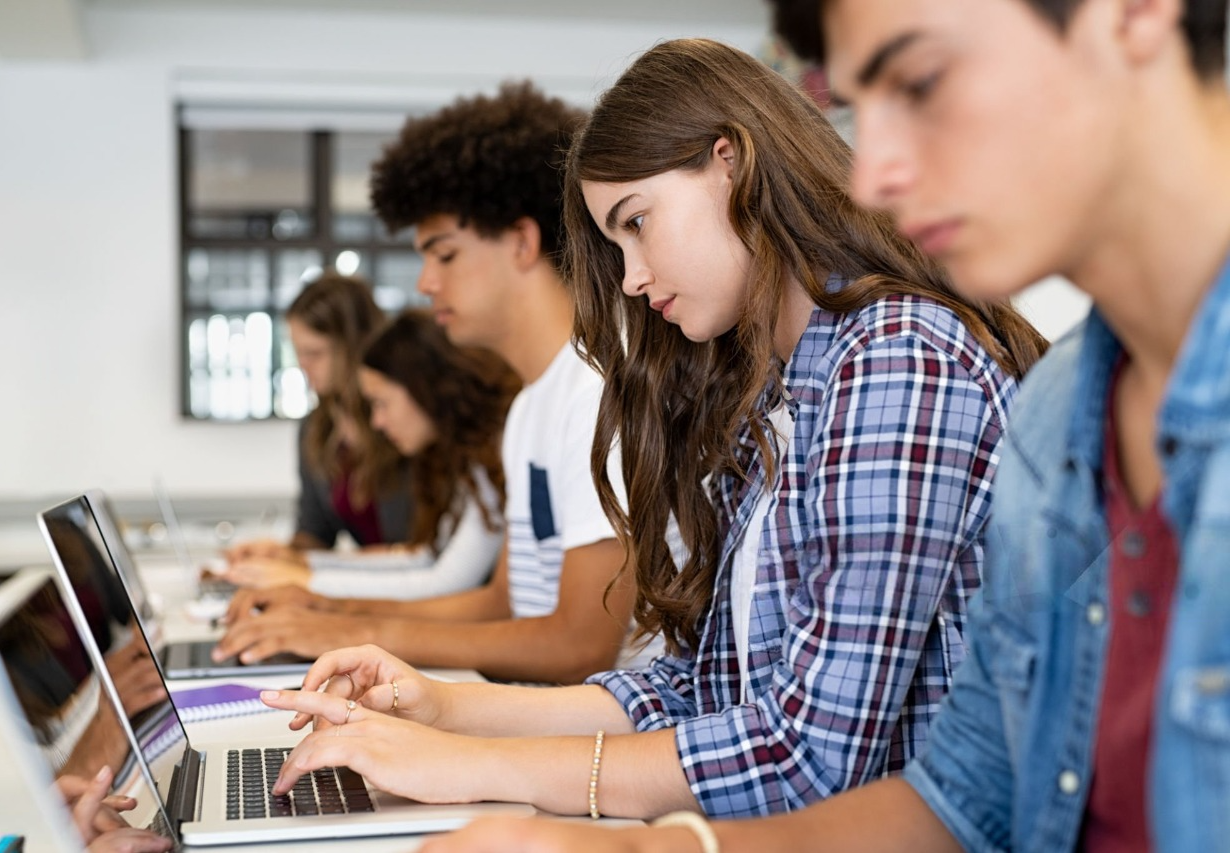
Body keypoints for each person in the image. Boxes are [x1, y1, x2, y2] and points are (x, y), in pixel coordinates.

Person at [417, 0, 1230, 849]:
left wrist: (495, 767)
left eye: (918, 81)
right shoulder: (1067, 403)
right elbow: (964, 793)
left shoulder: (905, 350)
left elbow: (815, 753)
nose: (873, 172)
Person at [251, 37, 1047, 823]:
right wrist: (442, 708)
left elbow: (807, 756)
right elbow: (699, 688)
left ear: (730, 164)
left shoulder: (895, 360)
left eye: (637, 222)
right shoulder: (773, 387)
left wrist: (465, 764)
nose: (630, 278)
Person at [214, 81, 647, 684]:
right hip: (538, 715)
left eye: (443, 255)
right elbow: (504, 604)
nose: (424, 283)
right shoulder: (531, 408)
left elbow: (579, 645)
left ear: (522, 243)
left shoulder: (598, 393)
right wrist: (331, 611)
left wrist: (350, 633)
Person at [220, 309, 520, 601]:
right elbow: (423, 558)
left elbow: (447, 581)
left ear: (422, 389)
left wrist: (307, 580)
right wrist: (303, 565)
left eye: (381, 403)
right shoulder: (467, 457)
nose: (377, 421)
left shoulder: (495, 453)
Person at [223, 272, 409, 569]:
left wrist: (328, 564)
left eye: (315, 353)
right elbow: (316, 533)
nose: (302, 366)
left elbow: (421, 555)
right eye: (298, 353)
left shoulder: (405, 423)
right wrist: (278, 554)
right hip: (369, 587)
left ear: (355, 347)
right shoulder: (316, 428)